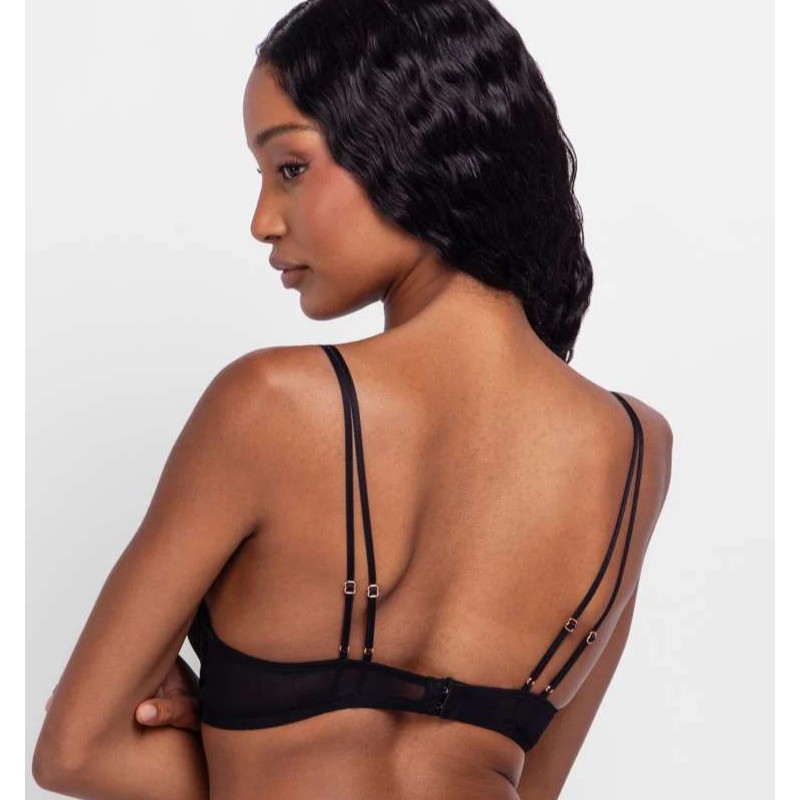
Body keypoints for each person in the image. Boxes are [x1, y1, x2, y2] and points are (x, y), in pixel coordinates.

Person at [33, 1, 673, 798]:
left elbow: (76, 751)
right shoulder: (635, 448)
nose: (262, 221)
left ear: (407, 139)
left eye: (290, 167)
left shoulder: (270, 404)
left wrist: (249, 760)